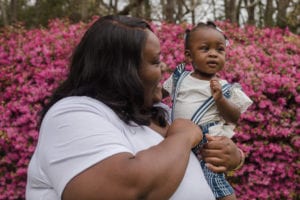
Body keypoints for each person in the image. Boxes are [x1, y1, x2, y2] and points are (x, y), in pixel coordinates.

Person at [26, 15, 245, 200]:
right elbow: (127, 189)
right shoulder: (72, 115)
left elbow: (202, 155)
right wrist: (183, 136)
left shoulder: (160, 113)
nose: (163, 67)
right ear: (123, 71)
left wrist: (234, 157)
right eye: (154, 61)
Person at [163, 21, 253, 200]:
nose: (213, 54)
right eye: (205, 49)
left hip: (207, 144)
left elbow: (234, 117)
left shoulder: (227, 88)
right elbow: (158, 95)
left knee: (214, 181)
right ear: (189, 56)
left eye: (220, 50)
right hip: (178, 139)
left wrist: (220, 100)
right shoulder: (179, 78)